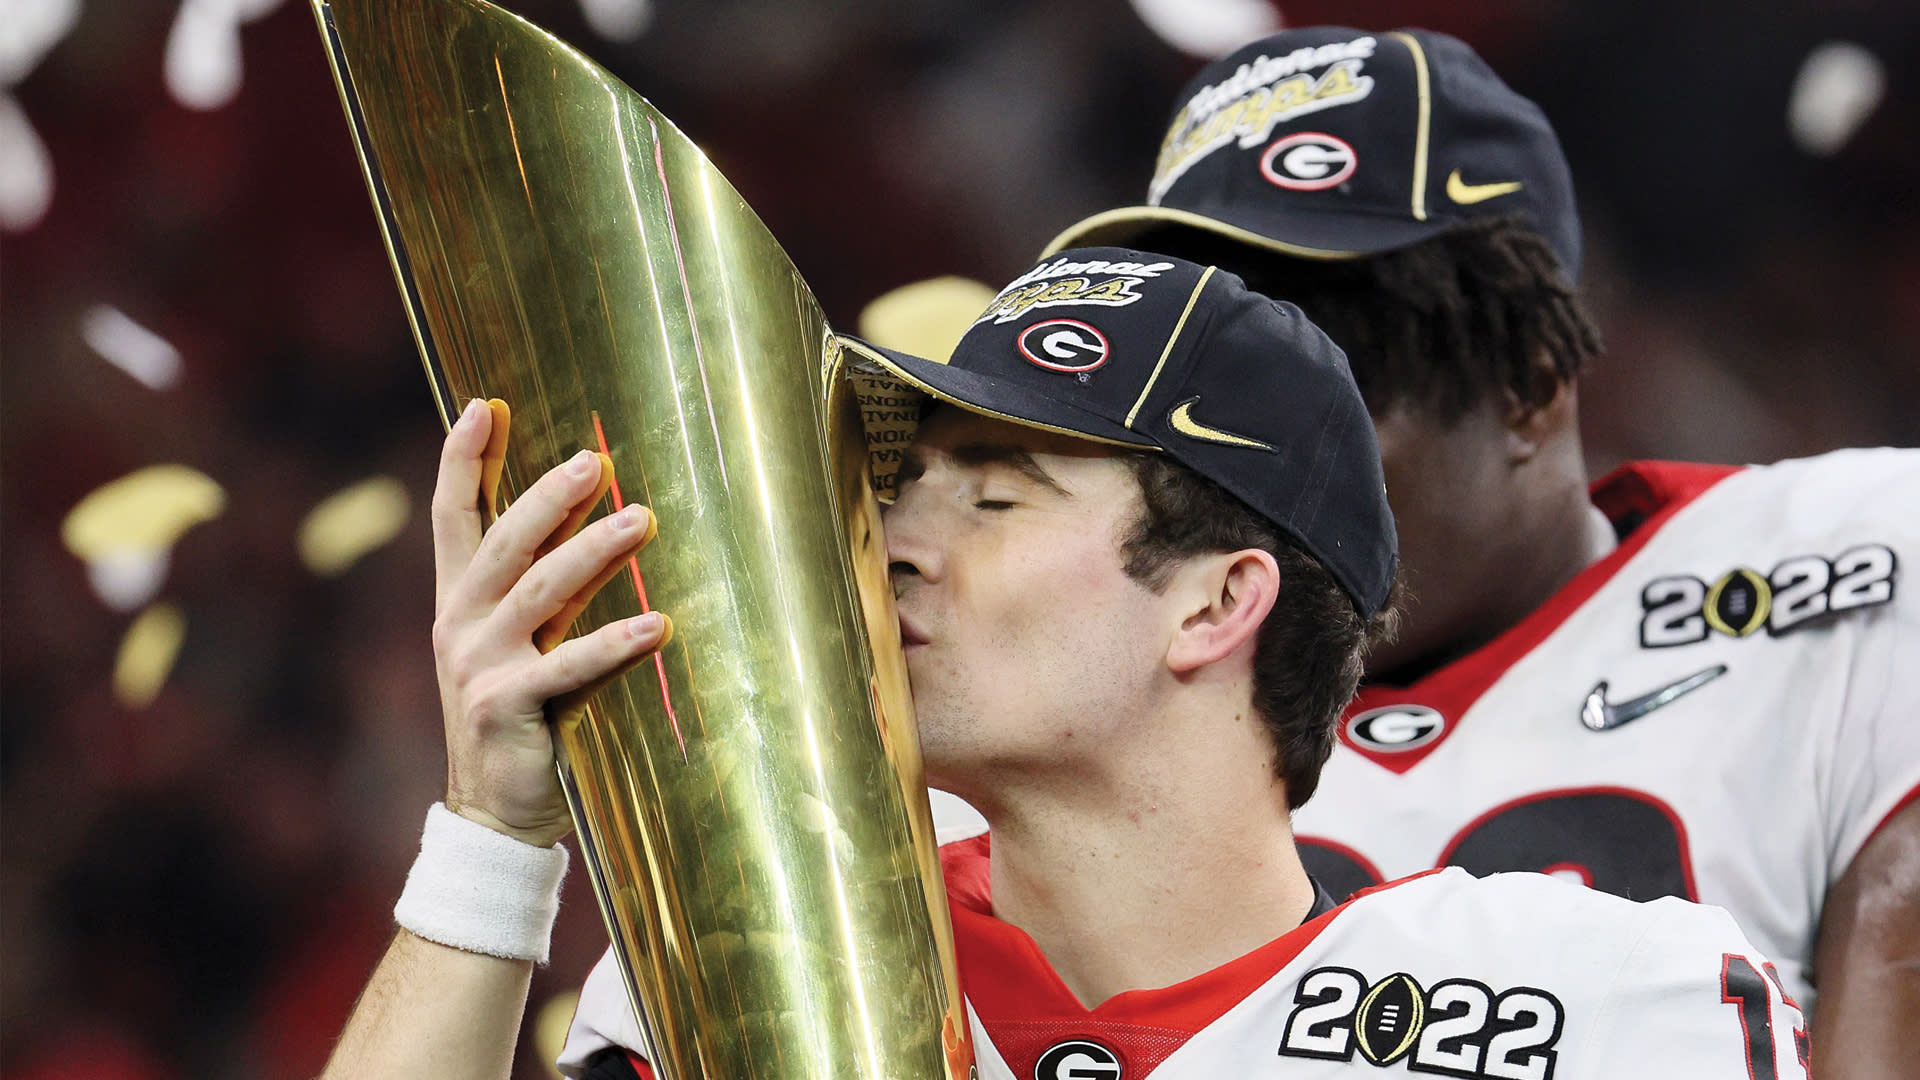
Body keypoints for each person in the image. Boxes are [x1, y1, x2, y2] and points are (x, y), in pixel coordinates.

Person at [322, 247, 1811, 1080]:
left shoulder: (1586, 1012)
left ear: (1215, 607)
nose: (890, 548)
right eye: (893, 494)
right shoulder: (739, 977)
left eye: (994, 494)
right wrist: (495, 836)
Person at [1038, 27, 1920, 1078]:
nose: (1243, 477)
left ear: (1531, 386)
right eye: (1202, 408)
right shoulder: (1073, 690)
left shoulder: (1855, 557)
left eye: (1320, 405)